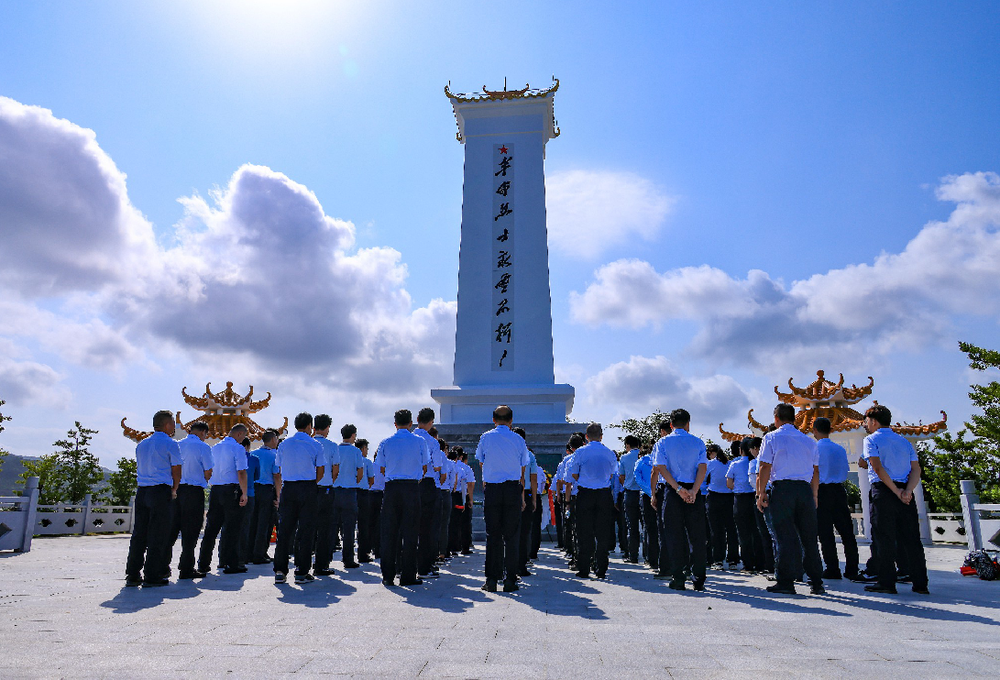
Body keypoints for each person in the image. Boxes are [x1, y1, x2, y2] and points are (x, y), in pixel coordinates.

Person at [756, 404, 824, 596]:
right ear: (794, 418)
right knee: (809, 538)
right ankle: (817, 581)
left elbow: (764, 467)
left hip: (783, 489)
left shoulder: (771, 437)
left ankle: (786, 581)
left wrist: (761, 493)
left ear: (776, 417)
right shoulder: (809, 441)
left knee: (784, 537)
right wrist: (814, 495)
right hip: (804, 490)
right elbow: (815, 471)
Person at [860, 404, 929, 595]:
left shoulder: (870, 440)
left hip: (884, 491)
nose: (866, 424)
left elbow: (877, 467)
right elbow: (916, 469)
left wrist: (895, 491)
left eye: (866, 421)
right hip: (906, 491)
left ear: (873, 421)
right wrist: (906, 491)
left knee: (884, 538)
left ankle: (886, 582)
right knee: (912, 539)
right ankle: (920, 583)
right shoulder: (904, 441)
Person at [651, 409, 708, 591]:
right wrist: (693, 491)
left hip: (673, 490)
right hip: (694, 491)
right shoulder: (698, 442)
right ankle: (698, 578)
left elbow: (660, 467)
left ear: (670, 424)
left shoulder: (663, 442)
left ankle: (678, 577)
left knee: (674, 535)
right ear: (688, 423)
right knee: (697, 536)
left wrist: (678, 489)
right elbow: (703, 468)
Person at [476, 405, 530, 593]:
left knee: (493, 536)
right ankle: (510, 580)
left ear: (493, 419)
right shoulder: (518, 440)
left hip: (492, 489)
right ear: (511, 420)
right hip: (511, 489)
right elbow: (523, 466)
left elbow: (481, 461)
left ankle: (492, 579)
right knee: (512, 536)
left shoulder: (485, 437)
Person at [125, 410, 182, 587]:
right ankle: (153, 574)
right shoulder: (171, 444)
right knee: (159, 534)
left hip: (142, 491)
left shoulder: (141, 444)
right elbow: (177, 469)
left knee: (139, 534)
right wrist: (174, 488)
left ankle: (133, 574)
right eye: (173, 423)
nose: (174, 427)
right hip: (160, 491)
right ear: (166, 425)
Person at [374, 409, 430, 587]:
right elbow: (425, 467)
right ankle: (408, 575)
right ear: (411, 422)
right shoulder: (420, 441)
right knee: (411, 533)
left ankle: (388, 575)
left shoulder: (386, 442)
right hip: (412, 488)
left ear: (395, 423)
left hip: (391, 488)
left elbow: (381, 468)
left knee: (389, 533)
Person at [273, 413, 325, 585]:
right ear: (310, 426)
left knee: (285, 530)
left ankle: (280, 571)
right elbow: (320, 471)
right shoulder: (315, 444)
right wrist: (310, 484)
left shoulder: (283, 444)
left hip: (289, 487)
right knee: (306, 530)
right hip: (308, 487)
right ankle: (301, 571)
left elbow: (278, 468)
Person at [569, 423, 619, 580]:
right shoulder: (609, 453)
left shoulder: (580, 452)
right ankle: (601, 568)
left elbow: (574, 474)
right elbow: (612, 474)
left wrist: (586, 479)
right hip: (604, 494)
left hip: (585, 493)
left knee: (584, 532)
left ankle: (584, 568)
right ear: (601, 436)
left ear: (586, 436)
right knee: (603, 532)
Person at [197, 424, 249, 575]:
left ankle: (203, 564)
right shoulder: (238, 448)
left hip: (216, 489)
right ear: (240, 434)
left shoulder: (215, 447)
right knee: (233, 528)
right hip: (231, 489)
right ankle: (231, 564)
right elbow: (241, 471)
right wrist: (244, 493)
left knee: (211, 530)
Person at [813, 417, 860, 580]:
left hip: (822, 491)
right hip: (839, 490)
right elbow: (845, 470)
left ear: (814, 431)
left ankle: (832, 568)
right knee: (847, 532)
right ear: (830, 430)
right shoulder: (840, 449)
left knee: (825, 534)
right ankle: (852, 568)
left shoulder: (814, 448)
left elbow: (813, 472)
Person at [171, 420, 212, 580]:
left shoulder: (177, 445)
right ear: (203, 432)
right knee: (191, 532)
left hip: (176, 490)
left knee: (171, 530)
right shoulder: (204, 447)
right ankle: (186, 568)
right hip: (194, 492)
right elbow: (208, 471)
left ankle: (162, 567)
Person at [413, 408, 444, 579]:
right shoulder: (432, 442)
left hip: (409, 484)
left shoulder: (408, 439)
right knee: (427, 528)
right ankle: (424, 567)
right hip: (427, 485)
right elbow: (438, 467)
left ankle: (406, 566)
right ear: (431, 422)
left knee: (409, 526)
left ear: (417, 419)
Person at [310, 414, 341, 576]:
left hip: (309, 489)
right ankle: (321, 565)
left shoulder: (309, 443)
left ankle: (303, 564)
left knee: (308, 528)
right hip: (326, 489)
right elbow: (335, 470)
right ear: (328, 427)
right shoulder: (332, 446)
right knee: (325, 529)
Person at [334, 423, 365, 569]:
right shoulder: (356, 451)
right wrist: (354, 481)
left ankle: (325, 559)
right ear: (353, 435)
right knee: (349, 528)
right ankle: (348, 559)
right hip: (349, 491)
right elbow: (360, 472)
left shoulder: (336, 449)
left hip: (335, 491)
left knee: (331, 527)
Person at [705, 443, 738, 569]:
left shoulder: (710, 463)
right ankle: (733, 560)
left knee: (716, 530)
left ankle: (718, 559)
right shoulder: (730, 463)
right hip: (729, 498)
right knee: (731, 530)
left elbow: (703, 479)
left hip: (714, 497)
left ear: (710, 453)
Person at [250, 430, 280, 564]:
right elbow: (277, 476)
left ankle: (248, 552)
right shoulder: (275, 455)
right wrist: (279, 496)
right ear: (273, 440)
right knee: (265, 522)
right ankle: (260, 553)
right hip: (267, 490)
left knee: (252, 521)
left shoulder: (253, 453)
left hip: (253, 489)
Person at [726, 440, 758, 572]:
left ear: (741, 450)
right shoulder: (755, 463)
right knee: (756, 532)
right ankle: (760, 562)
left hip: (740, 499)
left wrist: (738, 487)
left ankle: (748, 564)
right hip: (754, 497)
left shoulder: (735, 464)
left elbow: (729, 484)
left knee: (743, 533)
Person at [514, 427, 539, 578]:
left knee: (510, 532)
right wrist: (534, 499)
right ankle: (521, 565)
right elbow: (533, 478)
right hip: (527, 493)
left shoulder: (508, 453)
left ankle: (509, 564)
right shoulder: (529, 455)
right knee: (524, 532)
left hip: (511, 492)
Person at [634, 444, 659, 571]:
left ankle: (650, 559)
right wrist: (655, 492)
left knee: (649, 529)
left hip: (646, 496)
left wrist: (650, 492)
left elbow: (638, 479)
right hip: (660, 495)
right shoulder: (660, 460)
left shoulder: (640, 462)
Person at [237, 437, 260, 568]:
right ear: (248, 446)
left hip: (234, 493)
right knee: (246, 526)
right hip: (249, 494)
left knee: (231, 526)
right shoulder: (254, 459)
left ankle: (224, 558)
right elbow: (257, 476)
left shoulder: (233, 456)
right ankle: (243, 557)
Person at [619, 436, 642, 564]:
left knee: (631, 527)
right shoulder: (644, 456)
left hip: (630, 493)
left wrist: (626, 484)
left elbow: (621, 476)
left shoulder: (624, 457)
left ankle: (632, 555)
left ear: (627, 445)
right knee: (648, 526)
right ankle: (650, 557)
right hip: (645, 493)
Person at [356, 438, 376, 563]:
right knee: (363, 525)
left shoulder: (351, 459)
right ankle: (362, 554)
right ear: (363, 448)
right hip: (363, 493)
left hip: (351, 491)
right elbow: (371, 480)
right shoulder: (367, 462)